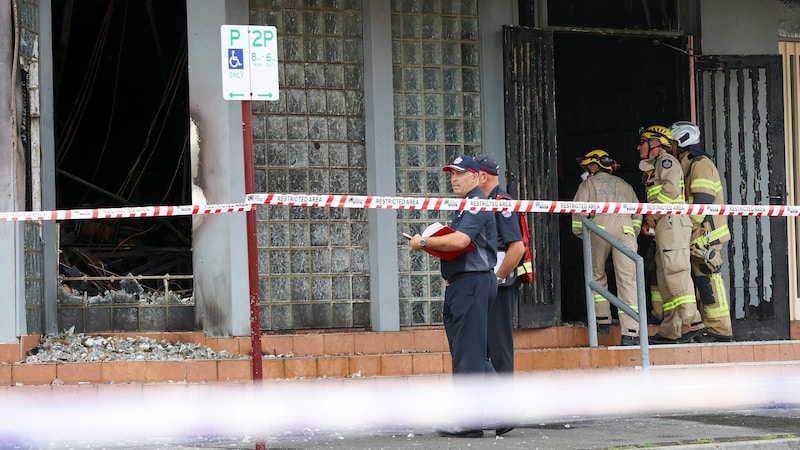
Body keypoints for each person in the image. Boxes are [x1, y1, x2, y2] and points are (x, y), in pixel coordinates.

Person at [408, 154, 498, 438]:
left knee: (469, 355)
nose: (454, 178)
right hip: (462, 285)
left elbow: (461, 241)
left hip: (473, 283)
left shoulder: (476, 203)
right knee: (465, 353)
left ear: (475, 176)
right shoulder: (463, 206)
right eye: (451, 174)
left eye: (460, 173)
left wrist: (424, 242)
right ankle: (507, 408)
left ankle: (469, 422)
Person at [637, 125, 706, 344]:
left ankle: (691, 320)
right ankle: (672, 329)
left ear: (655, 143)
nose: (639, 147)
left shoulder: (667, 162)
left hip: (671, 223)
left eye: (643, 142)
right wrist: (650, 217)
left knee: (676, 270)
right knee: (665, 275)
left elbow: (670, 194)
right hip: (664, 224)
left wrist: (653, 216)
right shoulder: (655, 166)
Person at [669, 121, 734, 342]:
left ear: (683, 142)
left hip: (706, 235)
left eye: (673, 144)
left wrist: (686, 227)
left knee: (709, 280)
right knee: (702, 283)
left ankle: (720, 330)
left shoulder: (700, 164)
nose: (671, 148)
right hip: (699, 235)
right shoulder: (688, 165)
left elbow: (702, 203)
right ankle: (710, 328)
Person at [571, 149, 643, 346]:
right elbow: (638, 214)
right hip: (626, 231)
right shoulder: (626, 185)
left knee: (597, 275)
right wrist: (631, 232)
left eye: (587, 166)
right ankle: (631, 332)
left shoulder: (588, 183)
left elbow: (578, 213)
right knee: (628, 280)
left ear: (595, 166)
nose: (586, 170)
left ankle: (602, 321)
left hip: (599, 230)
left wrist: (583, 234)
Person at [475, 155, 525, 374]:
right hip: (487, 282)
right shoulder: (484, 203)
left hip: (500, 284)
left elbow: (517, 248)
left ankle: (504, 402)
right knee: (484, 345)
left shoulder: (501, 203)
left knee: (499, 345)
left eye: (469, 175)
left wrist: (496, 279)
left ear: (482, 176)